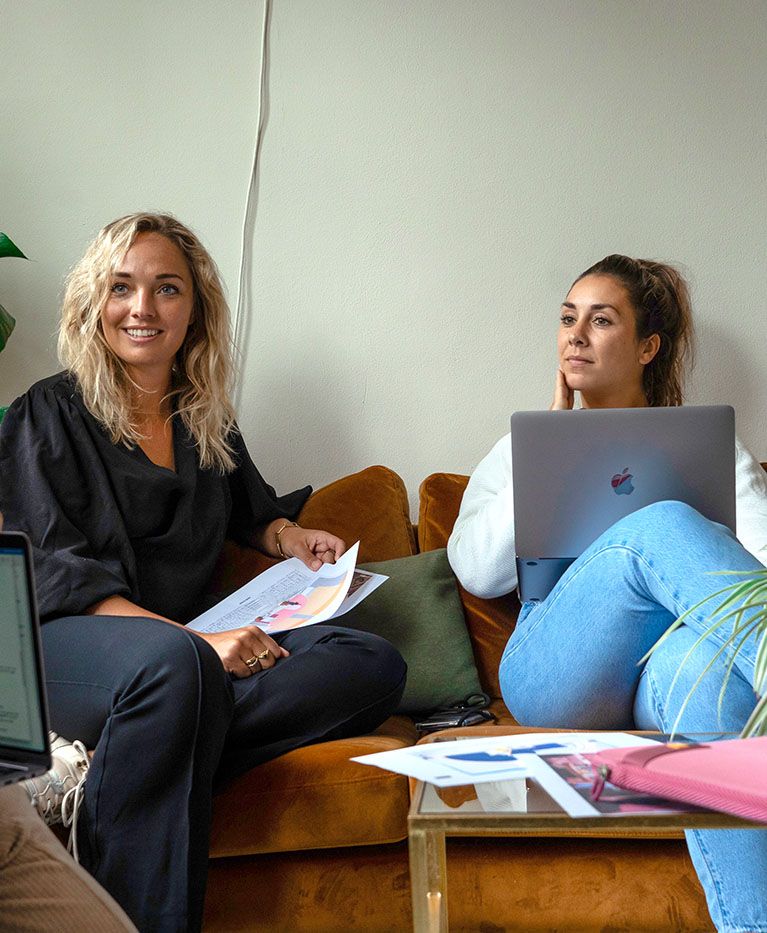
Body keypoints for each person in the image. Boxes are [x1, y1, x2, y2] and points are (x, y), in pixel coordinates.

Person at [0, 213, 406, 933]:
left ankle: (119, 762)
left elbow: (248, 508)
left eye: (166, 289)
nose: (143, 308)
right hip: (62, 648)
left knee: (369, 660)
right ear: (96, 302)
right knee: (175, 672)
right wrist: (193, 645)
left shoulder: (203, 418)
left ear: (195, 310)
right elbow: (51, 575)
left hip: (173, 664)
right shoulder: (46, 413)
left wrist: (289, 535)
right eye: (122, 288)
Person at [447, 254, 767, 933]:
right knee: (660, 523)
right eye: (567, 319)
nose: (574, 335)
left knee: (712, 682)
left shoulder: (711, 448)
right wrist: (553, 447)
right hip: (554, 673)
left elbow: (757, 573)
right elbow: (475, 571)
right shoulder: (521, 444)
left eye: (599, 320)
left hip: (668, 671)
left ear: (647, 347)